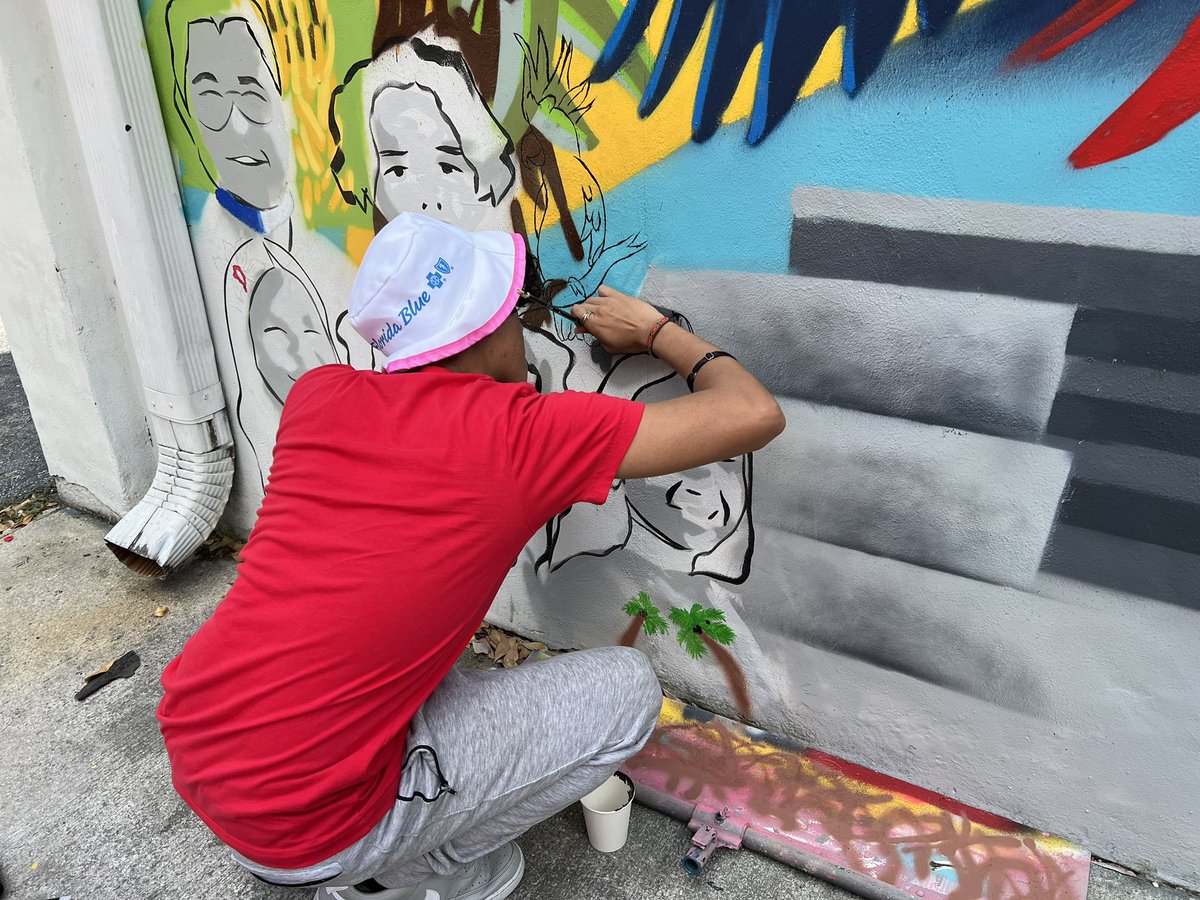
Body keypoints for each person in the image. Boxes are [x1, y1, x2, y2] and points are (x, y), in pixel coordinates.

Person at [156, 212, 785, 900]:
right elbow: (753, 413)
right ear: (489, 328)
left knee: (418, 659)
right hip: (313, 824)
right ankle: (407, 873)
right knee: (629, 689)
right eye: (516, 312)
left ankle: (372, 845)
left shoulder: (320, 396)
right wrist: (656, 332)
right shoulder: (519, 436)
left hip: (202, 749)